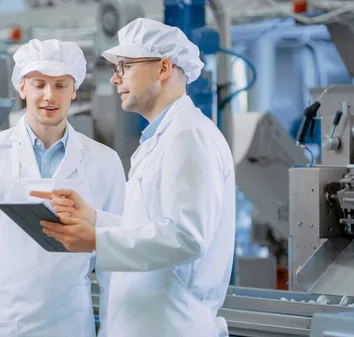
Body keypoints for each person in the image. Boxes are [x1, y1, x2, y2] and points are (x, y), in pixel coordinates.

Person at [34, 18, 236, 337]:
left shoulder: (189, 136)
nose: (116, 79)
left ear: (163, 67)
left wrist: (97, 240)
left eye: (125, 66)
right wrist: (95, 219)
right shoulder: (161, 138)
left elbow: (187, 237)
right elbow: (150, 229)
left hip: (172, 323)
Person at [0, 39, 127, 337]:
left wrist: (113, 331)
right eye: (39, 84)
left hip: (72, 325)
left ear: (74, 90)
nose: (49, 96)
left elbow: (114, 262)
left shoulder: (104, 162)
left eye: (60, 85)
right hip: (2, 326)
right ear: (22, 87)